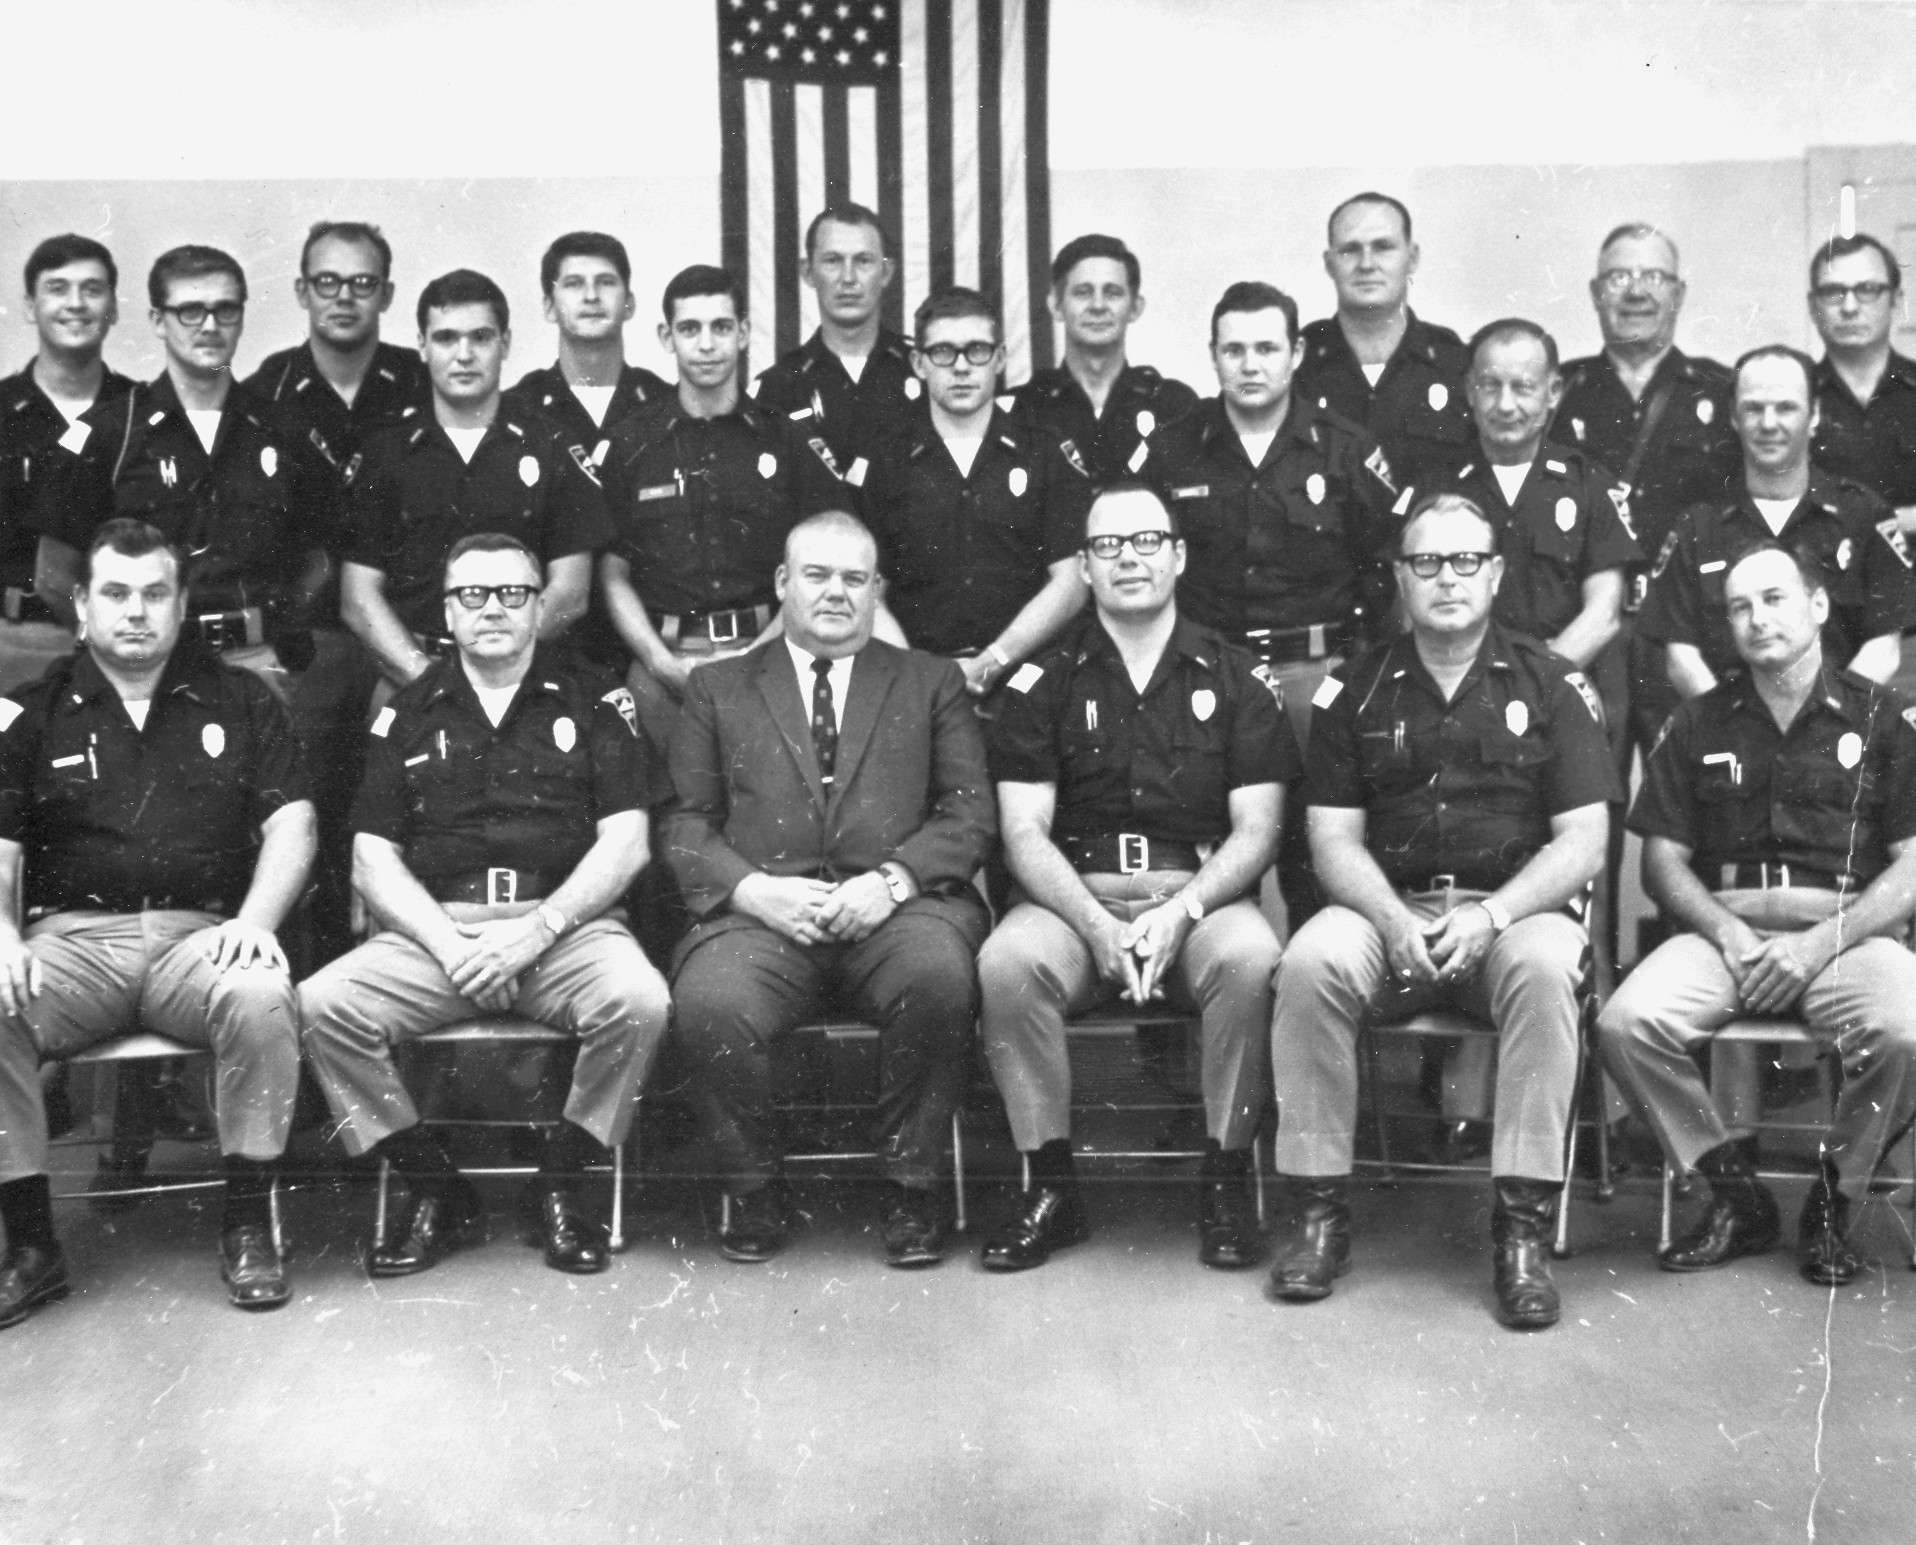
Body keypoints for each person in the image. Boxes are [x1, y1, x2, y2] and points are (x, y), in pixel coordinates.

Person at [1267, 493, 1614, 1330]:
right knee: (1310, 961)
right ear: (1400, 577)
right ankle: (1319, 1218)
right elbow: (1332, 839)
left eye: (1465, 560)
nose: (1447, 578)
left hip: (1511, 916)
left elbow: (1584, 841)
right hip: (1388, 911)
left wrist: (1492, 916)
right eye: (1427, 562)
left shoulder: (1552, 681)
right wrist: (1393, 920)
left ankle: (1521, 1233)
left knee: (1546, 968)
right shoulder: (1354, 688)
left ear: (1495, 573)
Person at [299, 534, 668, 1277]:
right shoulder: (406, 710)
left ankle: (560, 1182)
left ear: (540, 606)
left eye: (512, 593)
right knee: (321, 1006)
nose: (492, 608)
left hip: (564, 926)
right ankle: (436, 1189)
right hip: (442, 930)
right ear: (447, 611)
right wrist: (451, 944)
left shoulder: (598, 697)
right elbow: (371, 859)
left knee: (640, 1003)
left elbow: (627, 843)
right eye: (472, 594)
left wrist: (534, 933)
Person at [0, 519, 315, 1326]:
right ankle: (31, 1245)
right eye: (115, 593)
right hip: (72, 944)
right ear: (82, 605)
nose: (135, 611)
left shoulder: (244, 698)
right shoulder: (30, 711)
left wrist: (257, 921)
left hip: (199, 938)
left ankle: (248, 1226)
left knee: (260, 993)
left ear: (180, 606)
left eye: (153, 593)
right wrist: (1, 935)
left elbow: (294, 824)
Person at [664, 510, 995, 1268]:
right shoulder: (717, 686)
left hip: (899, 912)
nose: (835, 593)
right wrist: (752, 891)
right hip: (760, 918)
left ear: (878, 591)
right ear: (783, 583)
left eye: (855, 578)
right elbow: (683, 823)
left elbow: (971, 811)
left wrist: (893, 881)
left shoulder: (930, 680)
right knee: (711, 1000)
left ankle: (912, 1187)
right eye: (817, 575)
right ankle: (754, 1186)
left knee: (939, 978)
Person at [977, 482, 1291, 1271]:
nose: (1129, 558)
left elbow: (1257, 830)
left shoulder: (1236, 676)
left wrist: (1181, 912)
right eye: (1108, 546)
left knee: (1252, 959)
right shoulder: (1040, 682)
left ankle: (1225, 1177)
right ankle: (1052, 1187)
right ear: (1084, 566)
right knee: (1007, 963)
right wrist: (1095, 925)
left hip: (1198, 893)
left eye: (1147, 541)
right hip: (1073, 896)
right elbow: (1023, 831)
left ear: (1178, 556)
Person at [1598, 541, 1916, 1286]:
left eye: (1774, 598)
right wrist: (1729, 932)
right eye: (1739, 607)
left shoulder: (1883, 720)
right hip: (1726, 929)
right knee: (1625, 1024)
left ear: (1818, 605)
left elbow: (1911, 864)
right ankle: (1735, 1195)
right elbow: (1662, 863)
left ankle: (1834, 1198)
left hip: (1845, 930)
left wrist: (1815, 946)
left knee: (1908, 1029)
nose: (1756, 618)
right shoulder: (1699, 721)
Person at [1138, 280, 1400, 925]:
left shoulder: (1347, 448)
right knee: (1215, 859)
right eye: (1234, 350)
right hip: (1211, 681)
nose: (1250, 365)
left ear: (1296, 355)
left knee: (1322, 859)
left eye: (1266, 348)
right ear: (1212, 355)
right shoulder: (1172, 449)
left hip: (1317, 677)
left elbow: (1386, 575)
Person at [245, 220, 430, 963]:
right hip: (310, 642)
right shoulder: (266, 391)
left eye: (362, 282)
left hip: (403, 635)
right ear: (301, 290)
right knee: (307, 807)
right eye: (328, 281)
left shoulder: (420, 380)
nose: (344, 297)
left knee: (406, 811)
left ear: (387, 293)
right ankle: (304, 974)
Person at [37, 246, 337, 695]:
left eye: (225, 310)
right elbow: (54, 571)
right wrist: (112, 648)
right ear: (159, 320)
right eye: (190, 311)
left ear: (241, 318)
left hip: (256, 667)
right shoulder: (111, 433)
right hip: (141, 672)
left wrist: (283, 637)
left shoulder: (284, 431)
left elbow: (319, 561)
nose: (210, 326)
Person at [599, 264, 845, 749]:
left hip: (774, 658)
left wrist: (758, 655)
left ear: (744, 333)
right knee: (663, 795)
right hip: (663, 670)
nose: (707, 344)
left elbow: (818, 566)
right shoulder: (631, 444)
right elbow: (612, 574)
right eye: (690, 329)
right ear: (667, 337)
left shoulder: (786, 440)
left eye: (721, 327)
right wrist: (660, 663)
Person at [340, 269, 609, 697]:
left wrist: (497, 670)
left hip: (529, 679)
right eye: (446, 338)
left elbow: (571, 592)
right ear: (422, 346)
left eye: (480, 337)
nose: (464, 354)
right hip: (414, 678)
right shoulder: (385, 455)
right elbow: (359, 598)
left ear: (505, 343)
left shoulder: (552, 445)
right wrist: (430, 683)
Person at [853, 286, 1094, 696]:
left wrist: (993, 661)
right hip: (913, 687)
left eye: (977, 350)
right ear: (918, 363)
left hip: (1029, 681)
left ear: (1000, 359)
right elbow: (865, 588)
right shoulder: (886, 461)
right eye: (943, 352)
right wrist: (922, 677)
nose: (962, 367)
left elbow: (1071, 582)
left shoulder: (1044, 451)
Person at [1640, 346, 1916, 698]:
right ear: (1734, 417)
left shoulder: (1862, 515)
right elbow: (1682, 658)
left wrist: (1833, 719)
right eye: (1754, 409)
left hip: (1842, 723)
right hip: (1727, 725)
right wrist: (1731, 726)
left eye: (1786, 408)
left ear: (1814, 415)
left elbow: (1884, 647)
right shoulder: (1697, 526)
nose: (1768, 424)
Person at [1557, 223, 1739, 747]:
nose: (1636, 291)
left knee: (1694, 780)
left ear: (1678, 294)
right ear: (1596, 293)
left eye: (1653, 277)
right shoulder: (1560, 393)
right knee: (1589, 780)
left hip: (1687, 634)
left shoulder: (1720, 392)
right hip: (1589, 631)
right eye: (1619, 278)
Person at [1, 236, 131, 693]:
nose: (76, 303)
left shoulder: (143, 411)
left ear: (113, 307)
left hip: (127, 648)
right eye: (57, 288)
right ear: (30, 307)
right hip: (15, 643)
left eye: (92, 289)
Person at [1293, 192, 1474, 494]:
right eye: (1350, 250)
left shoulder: (1455, 365)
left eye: (1383, 247)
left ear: (1412, 258)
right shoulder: (1296, 365)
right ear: (1329, 263)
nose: (1366, 264)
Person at [1009, 234, 1199, 483]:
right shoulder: (1024, 409)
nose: (1098, 306)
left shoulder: (1174, 407)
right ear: (1056, 306)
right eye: (1082, 292)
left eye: (1112, 293)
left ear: (1135, 307)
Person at [752, 203, 918, 464]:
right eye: (833, 261)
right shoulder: (777, 388)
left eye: (863, 261)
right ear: (808, 272)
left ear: (886, 272)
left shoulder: (924, 372)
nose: (848, 278)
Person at [503, 231, 672, 474]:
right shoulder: (517, 409)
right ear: (549, 307)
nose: (591, 296)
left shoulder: (665, 404)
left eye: (606, 282)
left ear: (629, 304)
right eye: (574, 284)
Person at [1807, 233, 1916, 541]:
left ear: (1896, 301)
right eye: (1834, 292)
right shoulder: (1794, 399)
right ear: (1813, 305)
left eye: (1867, 289)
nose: (1850, 306)